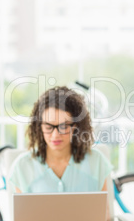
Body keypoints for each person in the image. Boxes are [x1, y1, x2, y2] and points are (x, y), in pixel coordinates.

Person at [8, 86, 113, 214]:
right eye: (48, 126)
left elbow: (105, 215)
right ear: (39, 126)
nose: (55, 135)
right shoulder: (22, 166)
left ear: (76, 126)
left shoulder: (96, 161)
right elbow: (21, 219)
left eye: (64, 126)